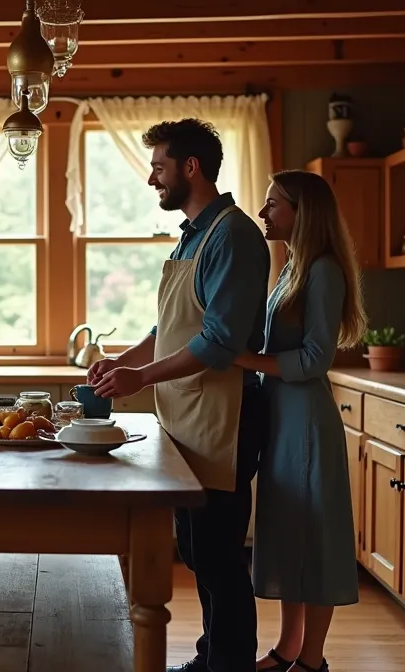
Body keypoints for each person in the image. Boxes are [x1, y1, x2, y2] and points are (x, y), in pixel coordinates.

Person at [91, 118, 271, 672]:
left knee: (218, 558)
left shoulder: (235, 235)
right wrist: (124, 360)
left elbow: (218, 341)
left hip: (224, 418)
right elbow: (170, 325)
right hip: (188, 417)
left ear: (191, 168)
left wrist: (140, 379)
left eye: (159, 167)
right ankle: (211, 657)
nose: (152, 179)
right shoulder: (195, 233)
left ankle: (230, 664)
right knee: (197, 553)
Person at [233, 170, 368, 672]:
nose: (263, 213)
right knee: (289, 534)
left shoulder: (324, 271)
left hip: (307, 420)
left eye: (273, 205)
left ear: (302, 212)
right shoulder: (292, 267)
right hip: (283, 418)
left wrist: (245, 360)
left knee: (315, 538)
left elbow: (315, 358)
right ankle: (288, 648)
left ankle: (311, 660)